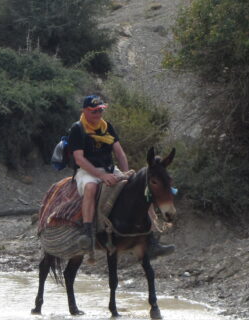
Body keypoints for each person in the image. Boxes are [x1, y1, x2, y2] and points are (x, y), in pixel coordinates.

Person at [67, 94, 174, 258]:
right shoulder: (78, 129)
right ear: (85, 111)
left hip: (110, 168)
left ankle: (152, 238)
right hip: (88, 171)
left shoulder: (107, 127)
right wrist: (101, 176)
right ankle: (88, 232)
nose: (98, 115)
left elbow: (120, 153)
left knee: (139, 188)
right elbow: (79, 159)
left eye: (100, 111)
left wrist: (125, 174)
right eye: (94, 111)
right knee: (90, 188)